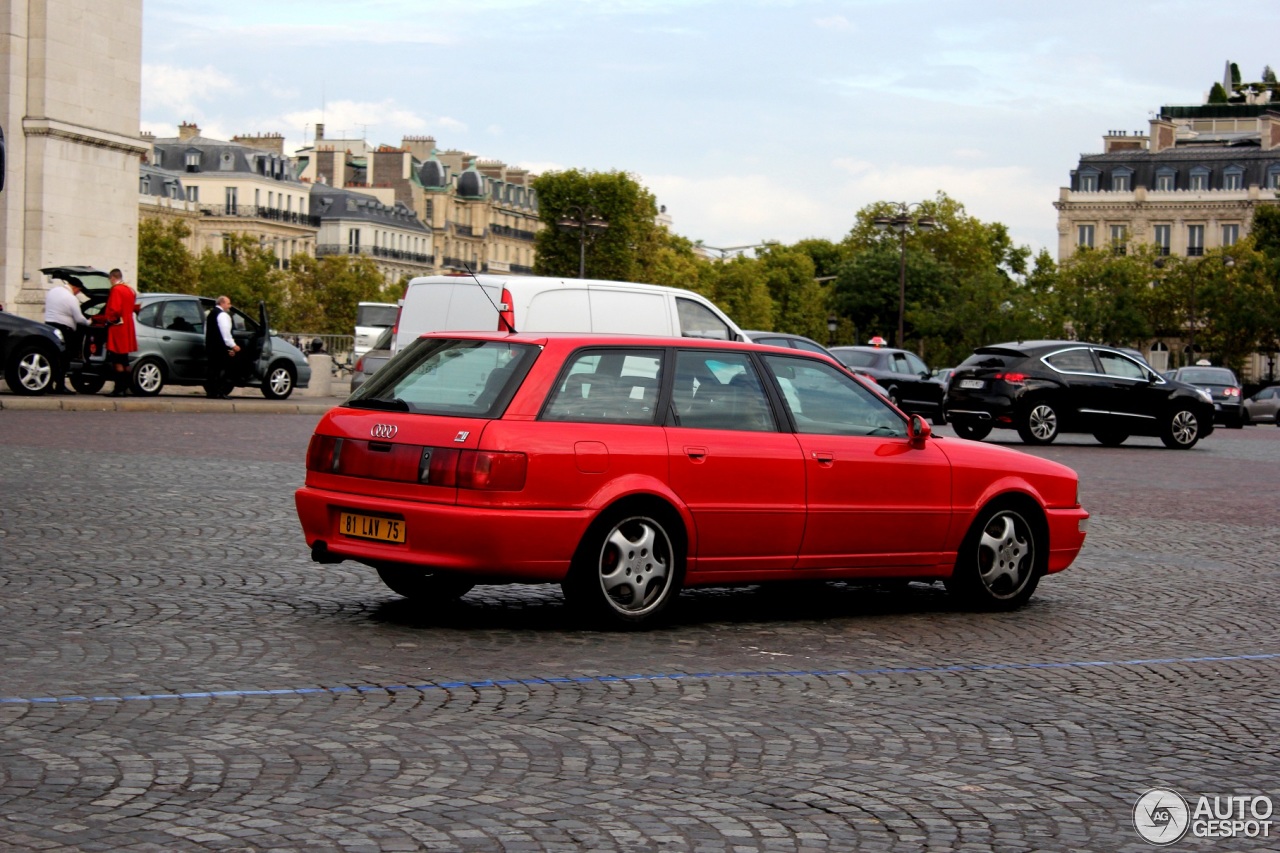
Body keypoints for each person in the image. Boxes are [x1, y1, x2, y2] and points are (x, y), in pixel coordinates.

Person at [43, 275, 91, 393]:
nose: (78, 293)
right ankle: (60, 385)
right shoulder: (71, 298)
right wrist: (89, 322)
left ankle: (48, 385)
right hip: (64, 330)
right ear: (75, 288)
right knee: (63, 358)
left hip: (49, 327)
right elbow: (79, 319)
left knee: (51, 357)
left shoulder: (53, 291)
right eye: (79, 291)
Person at [94, 268, 138, 396]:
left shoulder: (116, 289)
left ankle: (118, 389)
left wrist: (103, 319)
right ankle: (127, 387)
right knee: (124, 359)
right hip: (128, 327)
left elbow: (114, 310)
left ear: (113, 278)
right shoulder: (130, 290)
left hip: (118, 328)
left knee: (116, 358)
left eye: (110, 280)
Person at [204, 295, 240, 398]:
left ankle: (211, 392)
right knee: (223, 370)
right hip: (220, 347)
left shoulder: (211, 314)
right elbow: (225, 334)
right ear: (222, 303)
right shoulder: (222, 315)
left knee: (212, 370)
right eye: (228, 303)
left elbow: (206, 331)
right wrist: (233, 346)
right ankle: (221, 392)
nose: (230, 306)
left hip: (211, 346)